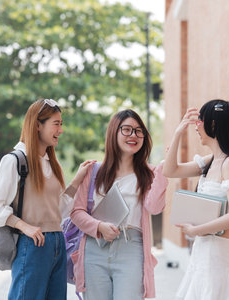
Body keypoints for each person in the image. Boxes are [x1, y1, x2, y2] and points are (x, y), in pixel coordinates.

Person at [0, 98, 95, 300]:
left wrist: (78, 180)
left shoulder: (51, 164)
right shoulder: (15, 161)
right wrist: (24, 226)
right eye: (56, 124)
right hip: (32, 244)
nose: (61, 130)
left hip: (57, 242)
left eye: (61, 124)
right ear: (37, 125)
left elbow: (58, 209)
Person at [70, 109, 168, 300]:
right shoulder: (93, 171)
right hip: (94, 249)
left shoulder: (150, 174)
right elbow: (76, 211)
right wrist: (99, 226)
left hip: (131, 248)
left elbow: (155, 208)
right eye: (127, 129)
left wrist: (164, 171)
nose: (134, 135)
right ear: (114, 132)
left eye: (139, 131)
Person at [163, 99, 229, 300]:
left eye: (201, 120)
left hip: (216, 254)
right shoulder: (211, 161)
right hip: (202, 252)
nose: (197, 125)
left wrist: (196, 230)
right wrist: (178, 132)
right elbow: (169, 170)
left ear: (213, 124)